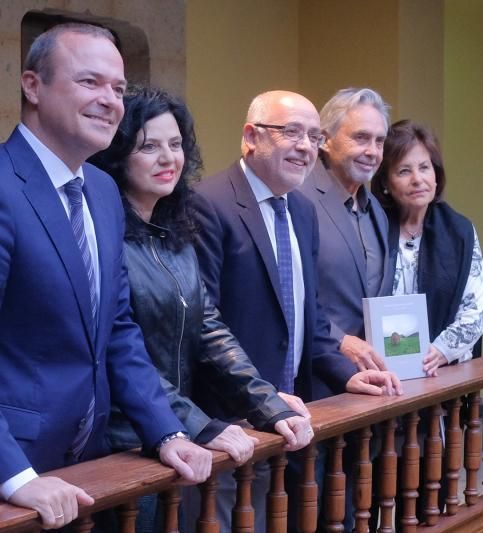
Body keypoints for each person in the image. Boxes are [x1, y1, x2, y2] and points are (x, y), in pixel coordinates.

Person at [0, 23, 212, 530]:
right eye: (90, 82)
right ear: (32, 85)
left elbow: (118, 329)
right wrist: (16, 476)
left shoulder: (103, 192)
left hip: (93, 467)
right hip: (14, 474)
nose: (110, 100)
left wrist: (167, 432)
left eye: (117, 88)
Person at [89, 86, 314, 531]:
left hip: (171, 441)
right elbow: (122, 350)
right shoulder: (105, 232)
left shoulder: (174, 232)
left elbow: (210, 331)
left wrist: (270, 406)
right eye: (148, 146)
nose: (167, 158)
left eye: (175, 145)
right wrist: (201, 424)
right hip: (120, 441)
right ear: (119, 155)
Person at [191, 90, 402, 530]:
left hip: (293, 424)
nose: (305, 146)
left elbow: (311, 319)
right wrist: (260, 402)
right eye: (291, 132)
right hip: (230, 426)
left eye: (313, 135)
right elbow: (200, 326)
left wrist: (346, 373)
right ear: (251, 137)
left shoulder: (301, 211)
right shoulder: (207, 204)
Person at [371, 119, 483, 373]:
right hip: (379, 372)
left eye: (424, 168)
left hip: (441, 374)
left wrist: (438, 352)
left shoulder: (460, 232)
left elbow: (473, 313)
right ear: (386, 183)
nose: (417, 179)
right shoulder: (370, 226)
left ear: (436, 176)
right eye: (404, 171)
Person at [298, 87, 395, 377]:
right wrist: (339, 339)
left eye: (379, 141)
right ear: (325, 141)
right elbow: (290, 296)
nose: (372, 152)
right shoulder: (298, 200)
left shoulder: (376, 209)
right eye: (361, 138)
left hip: (370, 379)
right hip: (316, 378)